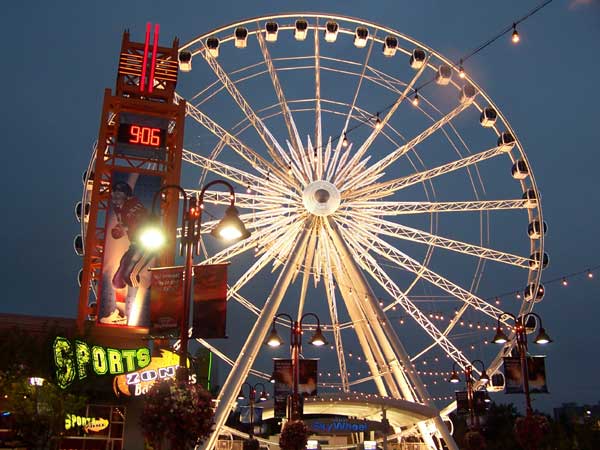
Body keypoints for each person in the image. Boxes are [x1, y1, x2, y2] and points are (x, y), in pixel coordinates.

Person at [100, 181, 154, 325]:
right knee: (118, 280)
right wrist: (121, 228)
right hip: (135, 244)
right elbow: (124, 225)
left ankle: (152, 295)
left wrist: (124, 228)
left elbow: (139, 222)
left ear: (127, 195)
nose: (115, 195)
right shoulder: (119, 207)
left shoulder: (132, 208)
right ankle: (120, 314)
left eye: (119, 192)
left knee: (129, 276)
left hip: (147, 244)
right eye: (114, 192)